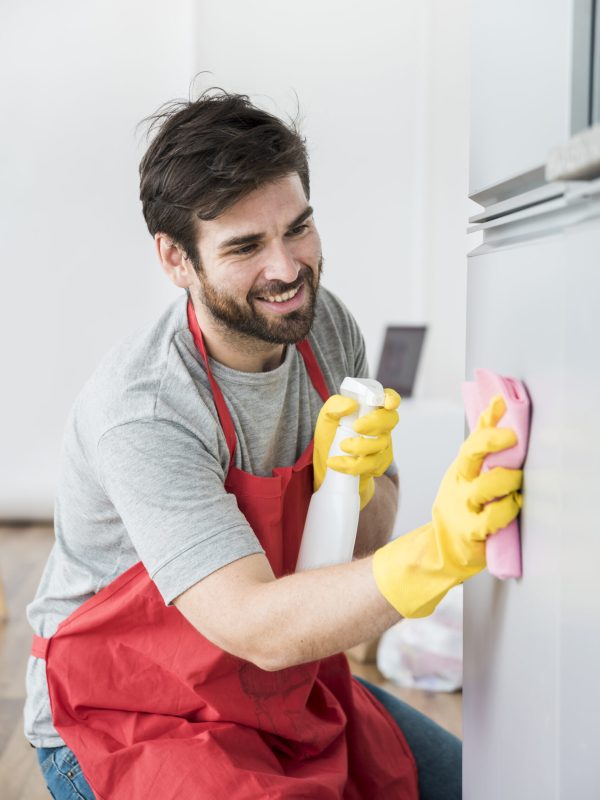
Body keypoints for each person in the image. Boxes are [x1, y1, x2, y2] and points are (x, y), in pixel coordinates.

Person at [25, 89, 523, 799]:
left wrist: (358, 481)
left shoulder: (325, 329)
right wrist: (438, 554)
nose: (288, 270)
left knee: (494, 786)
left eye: (299, 228)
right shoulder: (146, 410)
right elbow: (256, 624)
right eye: (246, 246)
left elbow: (350, 558)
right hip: (132, 716)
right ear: (175, 259)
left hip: (282, 689)